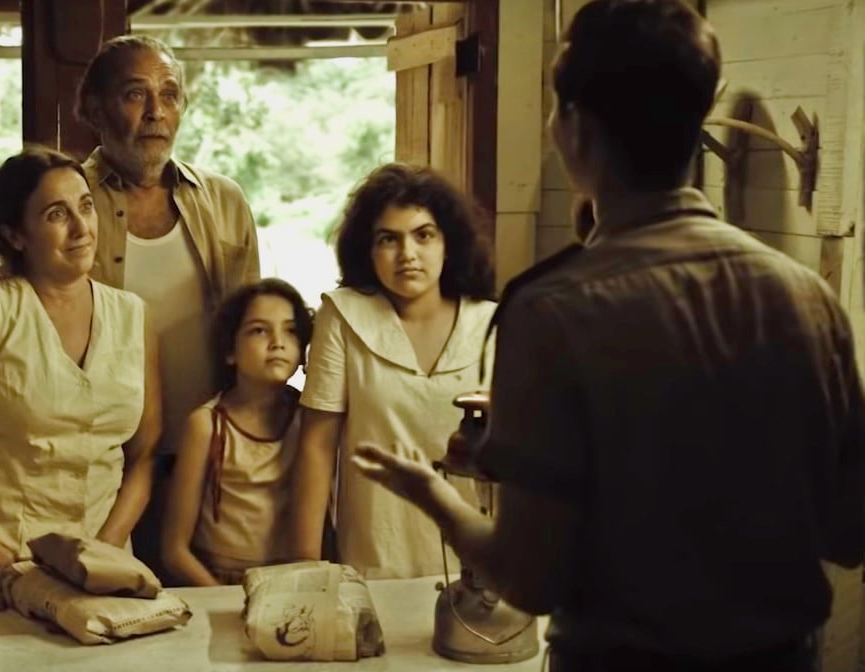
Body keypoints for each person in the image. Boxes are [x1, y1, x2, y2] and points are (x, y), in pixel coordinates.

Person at [352, 1, 865, 670]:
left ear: (575, 130)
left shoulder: (553, 311)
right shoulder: (807, 298)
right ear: (696, 120)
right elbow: (849, 531)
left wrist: (432, 496)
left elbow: (529, 580)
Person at [0, 147, 162, 672]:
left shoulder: (133, 317)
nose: (81, 228)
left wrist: (105, 551)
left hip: (102, 557)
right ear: (16, 235)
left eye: (85, 206)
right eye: (56, 214)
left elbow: (144, 455)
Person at [74, 34, 260, 577]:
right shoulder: (70, 202)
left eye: (170, 94)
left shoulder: (224, 200)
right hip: (103, 462)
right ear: (95, 111)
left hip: (209, 458)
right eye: (135, 94)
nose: (156, 111)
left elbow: (251, 327)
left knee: (204, 609)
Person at [289, 162, 498, 580]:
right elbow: (316, 447)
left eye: (424, 235)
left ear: (448, 243)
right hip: (374, 553)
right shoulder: (344, 315)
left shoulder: (492, 323)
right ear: (368, 250)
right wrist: (306, 568)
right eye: (388, 239)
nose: (407, 254)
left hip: (477, 557)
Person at [162, 278, 313, 586]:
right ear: (230, 351)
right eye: (259, 330)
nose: (278, 342)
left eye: (290, 331)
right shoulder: (207, 425)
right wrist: (223, 596)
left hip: (289, 586)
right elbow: (174, 550)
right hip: (218, 582)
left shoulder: (309, 421)